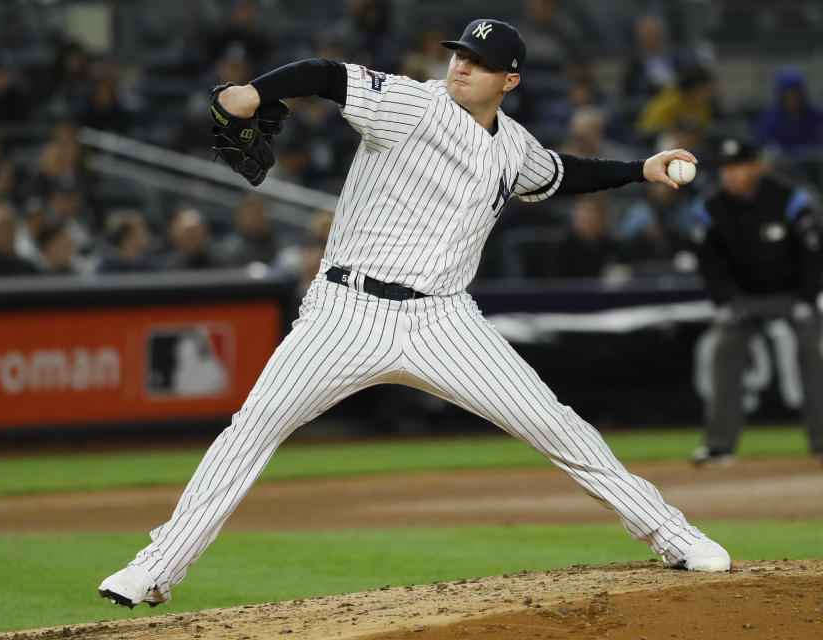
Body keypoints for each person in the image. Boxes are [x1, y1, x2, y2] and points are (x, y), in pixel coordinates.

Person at [98, 18, 730, 610]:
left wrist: (639, 170)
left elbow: (564, 174)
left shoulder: (513, 147)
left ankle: (673, 535)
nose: (461, 68)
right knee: (251, 431)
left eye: (480, 63)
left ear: (509, 81)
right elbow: (325, 74)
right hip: (344, 312)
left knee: (560, 428)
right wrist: (247, 96)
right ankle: (154, 570)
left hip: (444, 321)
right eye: (460, 55)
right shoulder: (415, 103)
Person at [688, 138, 823, 466]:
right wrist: (724, 301)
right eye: (725, 168)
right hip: (743, 297)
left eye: (737, 167)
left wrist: (807, 298)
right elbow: (709, 264)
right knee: (725, 351)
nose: (730, 175)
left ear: (756, 167)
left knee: (814, 350)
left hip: (790, 294)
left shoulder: (790, 199)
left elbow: (813, 255)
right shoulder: (711, 207)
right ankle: (720, 446)